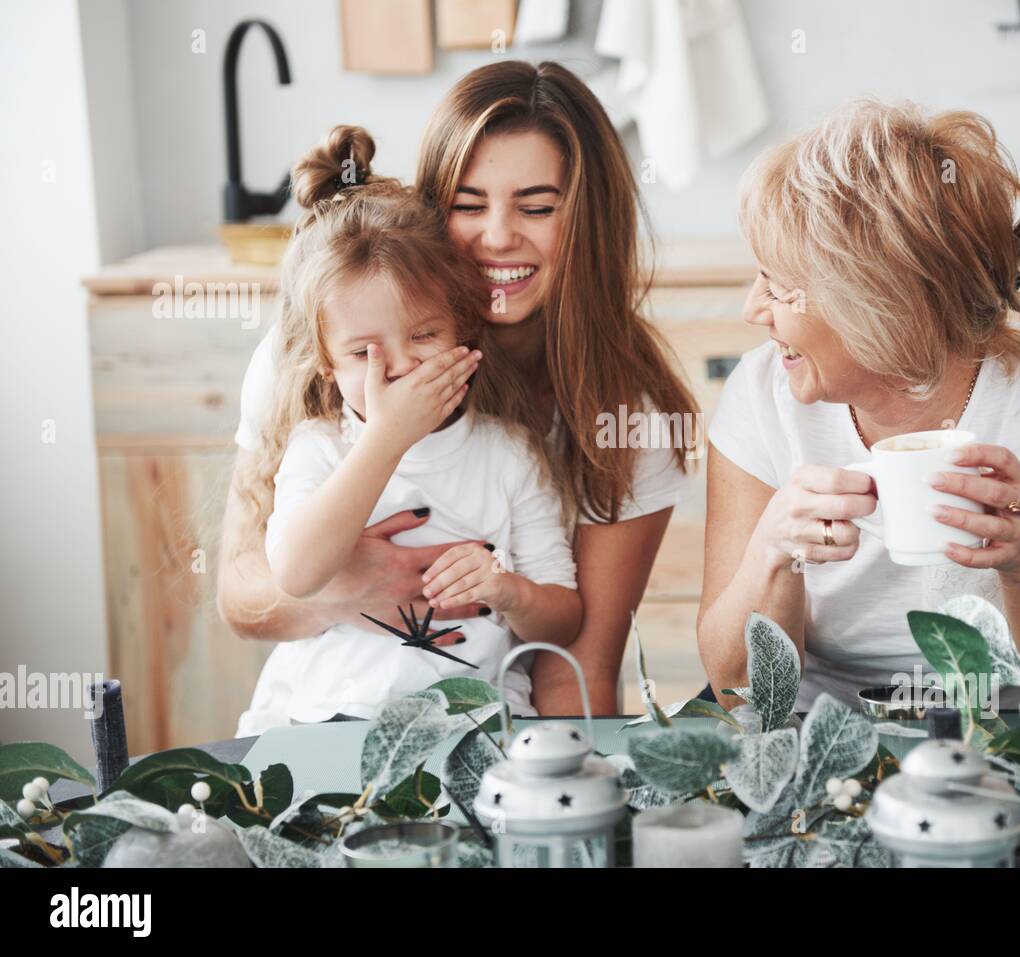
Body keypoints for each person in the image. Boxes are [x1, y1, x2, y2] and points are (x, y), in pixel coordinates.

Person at [218, 62, 698, 715]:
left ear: (589, 221)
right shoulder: (323, 349)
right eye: (469, 205)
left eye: (536, 206)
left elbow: (573, 668)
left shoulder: (623, 413)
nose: (498, 236)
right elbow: (241, 594)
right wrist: (348, 589)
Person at [698, 100, 1020, 714]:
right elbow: (736, 689)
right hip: (820, 735)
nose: (753, 311)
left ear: (876, 304)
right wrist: (773, 556)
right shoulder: (763, 395)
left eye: (778, 285)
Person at [234, 126, 579, 735]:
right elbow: (295, 573)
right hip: (332, 721)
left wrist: (509, 593)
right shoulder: (320, 447)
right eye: (362, 352)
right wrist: (386, 438)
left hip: (475, 728)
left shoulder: (509, 454)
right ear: (325, 365)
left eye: (423, 336)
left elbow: (563, 620)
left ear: (465, 334)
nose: (398, 367)